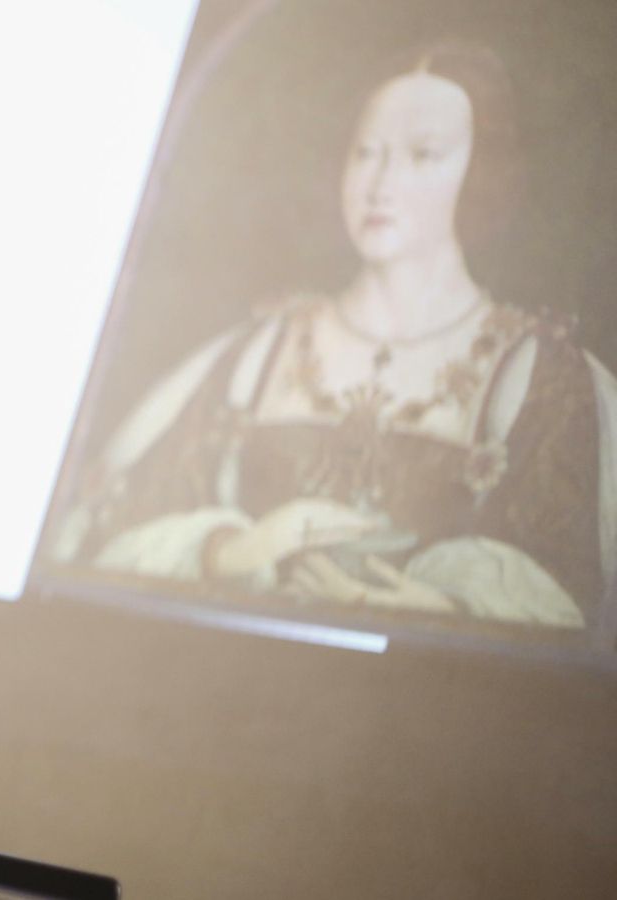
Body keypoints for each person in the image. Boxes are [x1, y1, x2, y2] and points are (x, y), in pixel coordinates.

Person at [50, 41, 617, 640]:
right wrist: (233, 552)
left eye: (423, 155)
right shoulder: (256, 353)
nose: (381, 184)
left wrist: (437, 612)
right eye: (365, 153)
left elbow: (571, 610)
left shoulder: (537, 374)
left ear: (482, 171)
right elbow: (104, 545)